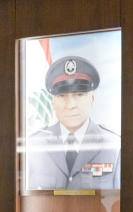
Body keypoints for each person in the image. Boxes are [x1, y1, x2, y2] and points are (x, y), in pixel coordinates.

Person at [26, 55, 121, 191]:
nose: (71, 105)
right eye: (62, 96)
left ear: (92, 99)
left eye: (79, 95)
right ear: (53, 102)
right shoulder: (34, 146)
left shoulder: (113, 146)